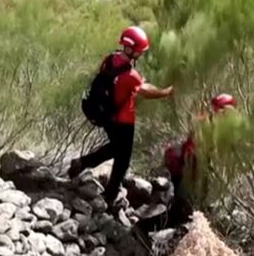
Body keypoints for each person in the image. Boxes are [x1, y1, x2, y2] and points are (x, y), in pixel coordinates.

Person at [68, 26, 173, 208]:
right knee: (122, 158)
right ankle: (109, 195)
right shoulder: (130, 75)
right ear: (134, 50)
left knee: (115, 149)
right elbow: (146, 92)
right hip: (123, 121)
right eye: (140, 51)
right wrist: (166, 92)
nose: (141, 54)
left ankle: (82, 163)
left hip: (107, 116)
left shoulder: (110, 59)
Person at [164, 93, 236, 224]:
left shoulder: (214, 123)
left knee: (195, 197)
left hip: (196, 164)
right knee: (184, 199)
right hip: (189, 164)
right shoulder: (206, 123)